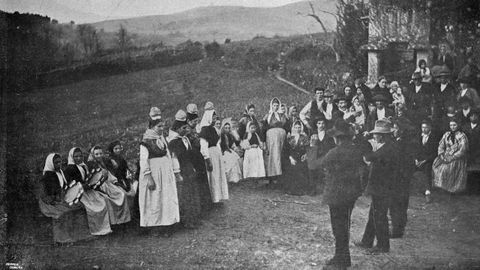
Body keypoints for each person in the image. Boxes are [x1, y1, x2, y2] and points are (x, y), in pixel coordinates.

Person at [321, 119, 363, 269]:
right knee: (344, 227)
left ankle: (342, 260)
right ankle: (341, 257)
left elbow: (320, 164)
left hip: (336, 195)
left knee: (338, 228)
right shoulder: (356, 150)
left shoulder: (334, 153)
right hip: (350, 195)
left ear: (338, 138)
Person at [356, 119, 397, 254]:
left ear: (383, 135)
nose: (374, 136)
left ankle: (383, 246)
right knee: (374, 214)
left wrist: (362, 141)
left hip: (383, 187)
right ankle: (367, 241)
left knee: (379, 216)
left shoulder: (388, 149)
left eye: (377, 134)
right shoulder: (388, 146)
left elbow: (369, 156)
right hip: (382, 186)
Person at [38, 153, 92, 244]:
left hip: (61, 198)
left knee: (80, 207)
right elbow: (44, 194)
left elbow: (67, 185)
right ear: (51, 164)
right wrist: (55, 199)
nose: (59, 164)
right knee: (63, 212)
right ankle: (62, 239)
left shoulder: (61, 173)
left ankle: (81, 235)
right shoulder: (47, 176)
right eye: (56, 163)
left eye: (60, 162)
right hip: (49, 202)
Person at [139, 113, 179, 231]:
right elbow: (143, 161)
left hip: (165, 172)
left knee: (166, 197)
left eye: (162, 126)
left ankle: (167, 223)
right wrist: (149, 178)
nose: (162, 129)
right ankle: (155, 226)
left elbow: (169, 155)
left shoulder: (162, 139)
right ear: (152, 127)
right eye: (159, 127)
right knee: (155, 198)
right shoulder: (146, 141)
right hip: (154, 173)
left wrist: (174, 171)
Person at [64, 147, 112, 236]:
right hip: (79, 193)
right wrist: (82, 186)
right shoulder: (69, 168)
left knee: (102, 201)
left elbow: (89, 178)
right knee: (92, 207)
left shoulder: (84, 166)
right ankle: (95, 229)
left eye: (80, 156)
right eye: (76, 156)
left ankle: (104, 227)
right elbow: (70, 185)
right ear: (71, 157)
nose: (79, 158)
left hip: (88, 190)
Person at [168, 110, 202, 229]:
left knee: (192, 193)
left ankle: (194, 218)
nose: (185, 130)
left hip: (188, 168)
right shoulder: (173, 142)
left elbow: (189, 154)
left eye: (186, 128)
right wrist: (178, 174)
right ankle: (186, 221)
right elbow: (175, 158)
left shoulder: (185, 139)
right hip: (182, 170)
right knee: (185, 195)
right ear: (177, 129)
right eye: (183, 128)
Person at [87, 146, 131, 226]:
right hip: (99, 186)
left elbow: (110, 175)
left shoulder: (103, 163)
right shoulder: (91, 165)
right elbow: (92, 180)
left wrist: (116, 183)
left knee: (122, 194)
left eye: (100, 153)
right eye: (96, 154)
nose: (99, 156)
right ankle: (114, 222)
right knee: (109, 199)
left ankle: (123, 220)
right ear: (93, 155)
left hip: (108, 184)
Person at [389, 120, 416, 238]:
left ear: (401, 130)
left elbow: (409, 164)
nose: (392, 131)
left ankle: (398, 230)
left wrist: (404, 177)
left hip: (401, 180)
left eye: (395, 128)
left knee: (399, 204)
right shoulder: (393, 142)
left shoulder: (407, 145)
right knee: (394, 204)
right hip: (394, 179)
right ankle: (397, 227)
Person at [199, 102, 229, 203]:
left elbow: (218, 143)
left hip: (216, 153)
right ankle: (213, 198)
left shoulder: (213, 129)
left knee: (218, 175)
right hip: (210, 154)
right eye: (213, 116)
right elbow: (203, 146)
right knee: (213, 176)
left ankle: (218, 197)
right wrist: (207, 159)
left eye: (216, 116)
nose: (215, 119)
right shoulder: (204, 130)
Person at [186, 104, 214, 213]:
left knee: (203, 180)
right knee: (197, 182)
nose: (196, 123)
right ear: (188, 121)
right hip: (193, 158)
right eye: (193, 121)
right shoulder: (187, 131)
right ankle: (201, 206)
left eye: (197, 121)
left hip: (199, 157)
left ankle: (206, 205)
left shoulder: (196, 129)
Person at [432, 118, 469, 193]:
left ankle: (450, 189)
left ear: (458, 125)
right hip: (446, 156)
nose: (452, 127)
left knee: (447, 168)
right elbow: (441, 146)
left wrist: (451, 158)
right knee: (436, 165)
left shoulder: (462, 136)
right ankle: (441, 187)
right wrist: (441, 155)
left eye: (454, 125)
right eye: (451, 125)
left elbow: (462, 150)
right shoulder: (446, 134)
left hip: (457, 158)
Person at [306, 116, 335, 194]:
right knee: (311, 167)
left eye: (322, 123)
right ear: (316, 125)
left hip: (325, 156)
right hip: (315, 156)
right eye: (319, 123)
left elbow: (332, 147)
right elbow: (309, 146)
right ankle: (313, 189)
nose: (321, 125)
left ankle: (326, 190)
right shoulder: (313, 134)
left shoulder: (328, 134)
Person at [281, 120, 310, 195]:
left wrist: (306, 155)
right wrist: (290, 158)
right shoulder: (290, 137)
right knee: (291, 170)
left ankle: (301, 190)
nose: (298, 129)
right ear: (293, 128)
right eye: (296, 127)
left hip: (301, 158)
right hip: (291, 157)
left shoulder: (304, 137)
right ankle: (291, 189)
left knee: (301, 170)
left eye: (299, 127)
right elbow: (286, 150)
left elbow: (308, 148)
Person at [414, 120, 440, 203]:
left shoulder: (434, 137)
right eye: (422, 127)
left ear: (430, 128)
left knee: (427, 168)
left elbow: (435, 153)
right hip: (419, 159)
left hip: (429, 160)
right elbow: (415, 149)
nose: (423, 129)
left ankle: (428, 191)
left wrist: (424, 161)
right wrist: (416, 159)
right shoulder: (419, 136)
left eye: (426, 127)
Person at [263, 97, 287, 183]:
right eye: (274, 105)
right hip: (271, 137)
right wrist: (263, 141)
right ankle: (271, 176)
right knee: (272, 156)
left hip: (281, 137)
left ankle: (280, 176)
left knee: (280, 155)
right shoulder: (267, 116)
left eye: (277, 105)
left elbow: (287, 126)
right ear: (271, 106)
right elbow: (263, 128)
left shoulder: (282, 115)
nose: (276, 107)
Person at [432, 66, 456, 131]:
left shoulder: (451, 88)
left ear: (447, 78)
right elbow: (434, 97)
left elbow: (452, 100)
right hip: (437, 110)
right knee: (436, 126)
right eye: (441, 78)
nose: (443, 79)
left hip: (446, 110)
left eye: (444, 78)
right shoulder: (436, 86)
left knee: (445, 126)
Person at [220, 117, 243, 183]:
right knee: (230, 159)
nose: (227, 129)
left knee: (235, 159)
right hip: (224, 152)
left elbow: (233, 145)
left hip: (230, 151)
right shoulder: (221, 136)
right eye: (226, 128)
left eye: (228, 128)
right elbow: (219, 145)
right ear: (223, 128)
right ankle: (228, 179)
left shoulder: (230, 135)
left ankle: (234, 179)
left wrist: (236, 149)